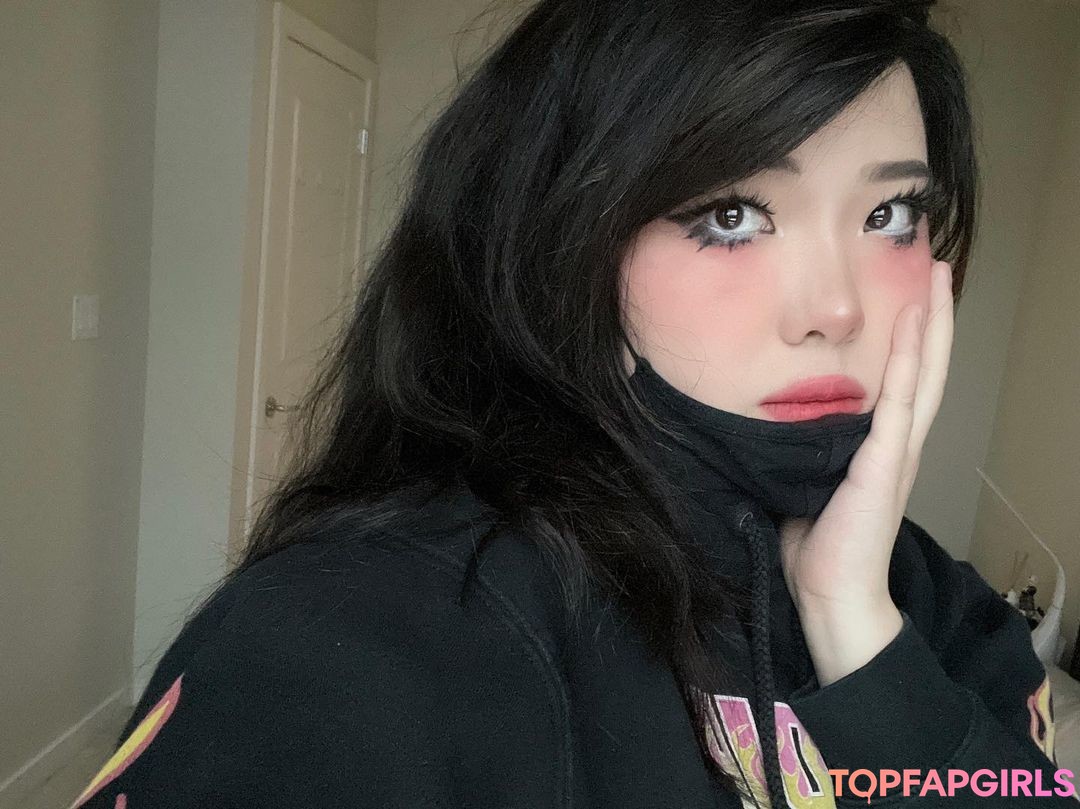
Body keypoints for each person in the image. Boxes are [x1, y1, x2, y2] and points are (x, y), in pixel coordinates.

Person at [73, 1, 1071, 807]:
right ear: (570, 247)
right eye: (732, 215)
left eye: (890, 213)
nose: (837, 309)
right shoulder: (354, 643)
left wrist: (857, 628)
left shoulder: (941, 612)